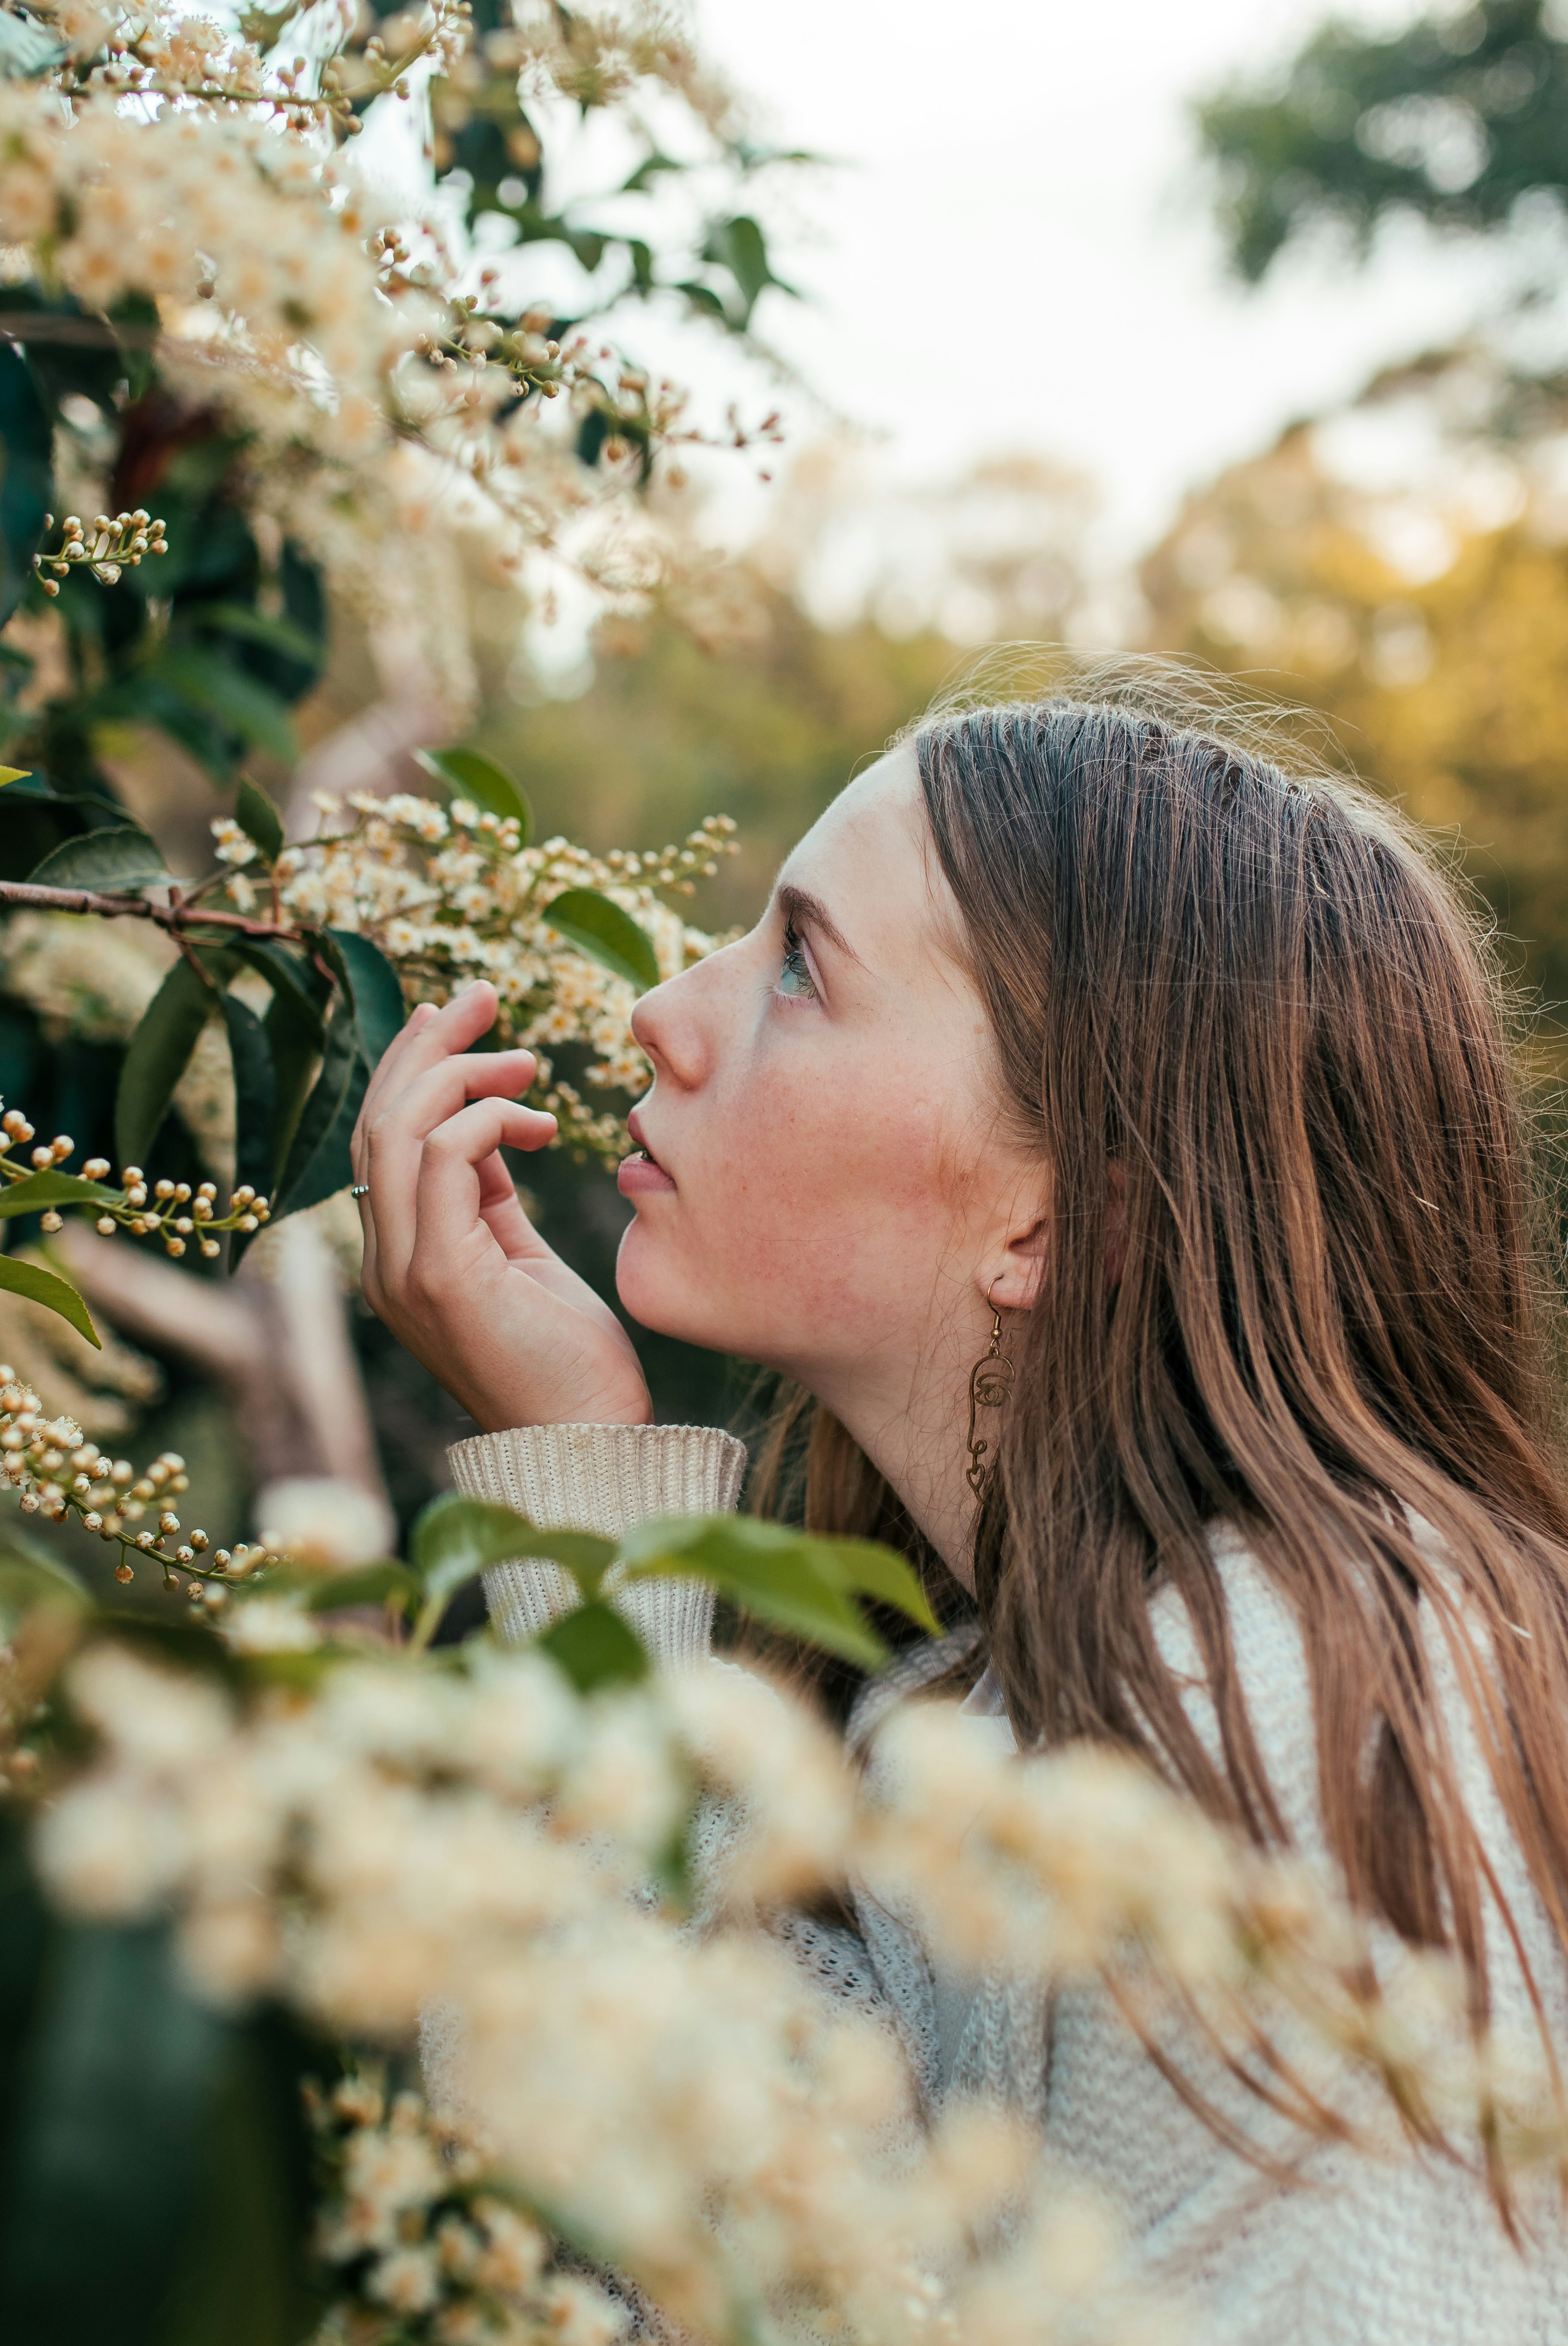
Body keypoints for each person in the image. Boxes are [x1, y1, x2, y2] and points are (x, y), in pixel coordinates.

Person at [352, 694, 1568, 2343]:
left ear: (1059, 1213)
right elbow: (622, 2229)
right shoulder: (995, 1698)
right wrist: (573, 1463)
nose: (661, 1012)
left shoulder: (1273, 1719)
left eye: (800, 966)